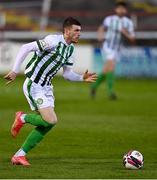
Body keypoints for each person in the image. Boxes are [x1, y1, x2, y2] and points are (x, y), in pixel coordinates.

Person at [4, 17, 97, 166]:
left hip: (47, 87)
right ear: (67, 31)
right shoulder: (53, 41)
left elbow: (67, 74)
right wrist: (15, 70)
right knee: (51, 120)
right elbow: (25, 48)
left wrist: (81, 78)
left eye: (80, 31)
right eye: (76, 30)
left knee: (49, 123)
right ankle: (22, 118)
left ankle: (19, 155)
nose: (79, 34)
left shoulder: (70, 49)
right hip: (34, 84)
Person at [91, 1, 135, 100]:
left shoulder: (128, 22)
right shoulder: (109, 19)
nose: (121, 10)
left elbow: (132, 39)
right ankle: (111, 92)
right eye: (119, 8)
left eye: (123, 8)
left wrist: (125, 33)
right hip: (108, 46)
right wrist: (100, 35)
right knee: (111, 67)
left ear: (126, 10)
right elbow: (102, 28)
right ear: (116, 9)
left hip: (118, 50)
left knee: (106, 70)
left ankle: (94, 87)